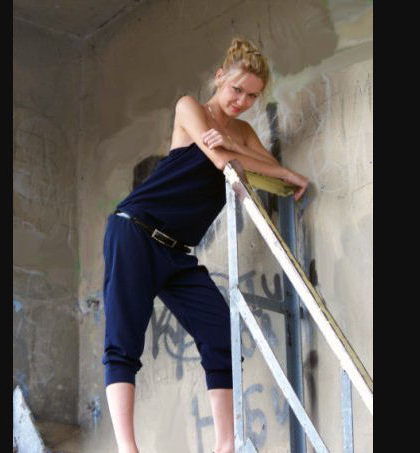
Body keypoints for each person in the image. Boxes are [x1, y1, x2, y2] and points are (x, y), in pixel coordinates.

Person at [102, 37, 309, 453]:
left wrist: (243, 150)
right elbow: (222, 162)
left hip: (178, 252)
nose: (242, 102)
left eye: (252, 96)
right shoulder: (189, 108)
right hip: (135, 230)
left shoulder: (243, 131)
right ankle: (128, 448)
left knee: (221, 335)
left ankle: (225, 445)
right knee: (124, 340)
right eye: (236, 89)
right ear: (219, 78)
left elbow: (268, 168)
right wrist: (238, 153)